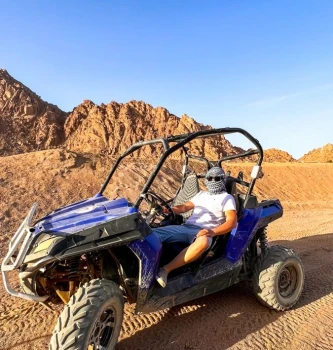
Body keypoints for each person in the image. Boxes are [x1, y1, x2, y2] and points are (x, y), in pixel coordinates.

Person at [152, 166, 237, 288]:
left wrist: (212, 232)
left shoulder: (227, 198)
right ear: (206, 179)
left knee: (202, 243)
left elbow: (231, 222)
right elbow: (184, 207)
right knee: (151, 233)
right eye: (210, 178)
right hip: (187, 227)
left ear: (223, 179)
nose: (213, 181)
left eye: (217, 178)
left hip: (205, 232)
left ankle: (165, 269)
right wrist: (167, 210)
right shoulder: (201, 194)